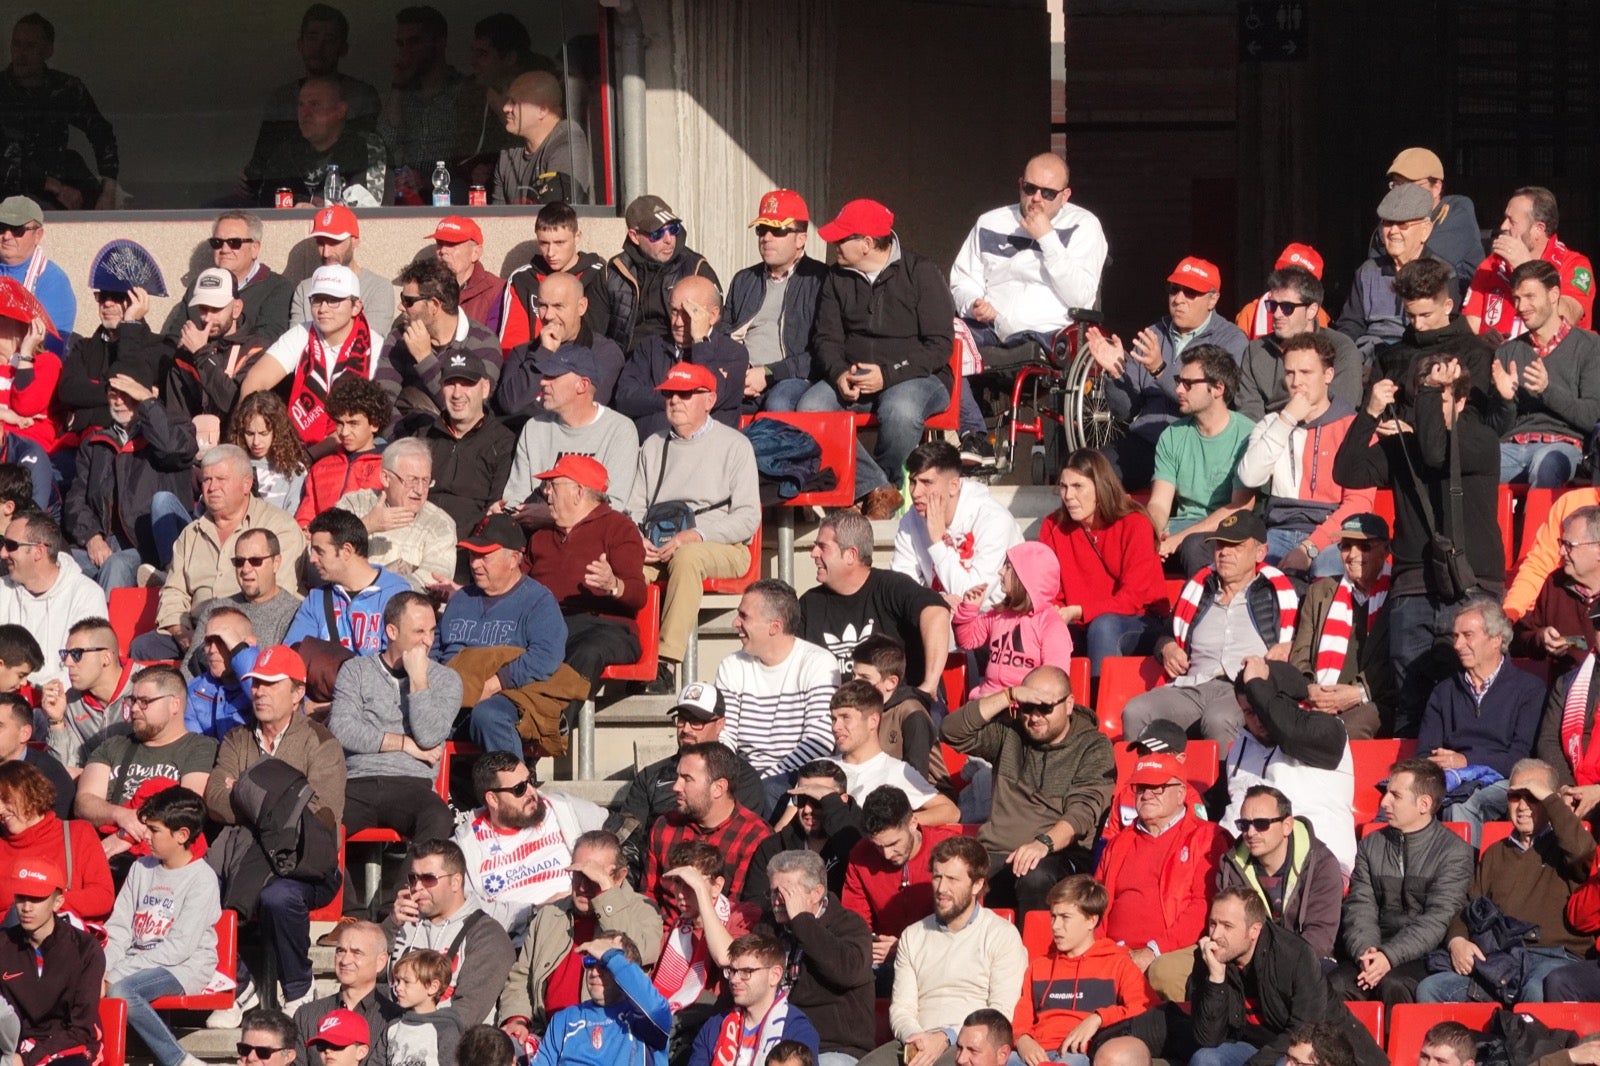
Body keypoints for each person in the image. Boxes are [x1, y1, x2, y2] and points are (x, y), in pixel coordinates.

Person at [1333, 356, 1505, 731]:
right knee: (1410, 704)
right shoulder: (1404, 446)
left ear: (1460, 402)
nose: (1427, 405)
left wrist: (1427, 391)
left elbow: (1435, 451)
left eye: (1438, 397)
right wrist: (1369, 413)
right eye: (1423, 396)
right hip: (1413, 588)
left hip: (1472, 586)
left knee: (1471, 695)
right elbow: (1346, 471)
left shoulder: (1481, 439)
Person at [206, 645, 345, 1020]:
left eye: (269, 684)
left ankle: (299, 987)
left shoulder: (322, 743)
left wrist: (246, 790)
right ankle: (238, 987)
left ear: (298, 693)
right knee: (197, 890)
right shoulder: (237, 739)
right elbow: (217, 800)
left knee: (278, 897)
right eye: (255, 684)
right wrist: (282, 795)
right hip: (244, 858)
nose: (259, 692)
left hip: (305, 863)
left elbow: (322, 814)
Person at [794, 198, 956, 516]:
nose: (833, 245)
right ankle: (875, 488)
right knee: (811, 408)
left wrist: (888, 373)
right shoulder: (836, 278)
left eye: (842, 238)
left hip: (918, 376)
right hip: (853, 376)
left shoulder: (921, 272)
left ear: (867, 244)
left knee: (901, 409)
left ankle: (888, 489)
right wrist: (839, 373)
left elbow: (939, 346)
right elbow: (825, 339)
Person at [948, 152, 1109, 460]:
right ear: (1020, 184)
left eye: (1047, 193)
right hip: (989, 325)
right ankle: (974, 435)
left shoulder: (1085, 225)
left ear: (1065, 195)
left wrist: (1047, 238)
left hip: (1048, 331)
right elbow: (962, 279)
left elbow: (1081, 295)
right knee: (942, 338)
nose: (1036, 198)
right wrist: (973, 303)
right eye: (1030, 189)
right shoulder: (990, 222)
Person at [1414, 758, 1594, 1004]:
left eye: (1532, 796)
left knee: (1535, 990)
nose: (1522, 806)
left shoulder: (1566, 846)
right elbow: (1467, 905)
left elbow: (1583, 853)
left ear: (1550, 801)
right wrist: (1457, 941)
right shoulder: (1495, 853)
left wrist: (1553, 801)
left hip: (1556, 958)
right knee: (1431, 989)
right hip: (1501, 961)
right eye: (1514, 796)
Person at [625, 362, 760, 687]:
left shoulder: (734, 445)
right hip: (659, 543)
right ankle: (628, 654)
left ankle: (664, 662)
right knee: (624, 564)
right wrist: (635, 537)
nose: (674, 401)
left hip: (723, 547)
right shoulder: (654, 445)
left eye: (685, 394)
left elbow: (747, 517)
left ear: (709, 400)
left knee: (687, 558)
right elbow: (633, 507)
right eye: (670, 394)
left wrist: (696, 535)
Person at [1121, 510, 1298, 750]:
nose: (1224, 552)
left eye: (1236, 545)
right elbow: (1167, 633)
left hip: (1246, 689)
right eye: (1220, 545)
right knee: (1135, 711)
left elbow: (1305, 640)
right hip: (1193, 685)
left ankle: (1224, 788)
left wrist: (1291, 645)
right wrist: (1167, 647)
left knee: (1218, 719)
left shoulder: (1277, 594)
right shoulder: (1198, 591)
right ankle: (1145, 784)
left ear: (1260, 552)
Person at [941, 664, 1113, 911]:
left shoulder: (1092, 745)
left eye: (1045, 707)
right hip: (997, 852)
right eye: (1027, 707)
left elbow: (1083, 812)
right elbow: (951, 732)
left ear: (1068, 704)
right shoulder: (1011, 733)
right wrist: (1008, 696)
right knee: (950, 874)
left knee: (1035, 877)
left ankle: (1034, 949)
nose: (1034, 716)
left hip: (1059, 854)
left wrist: (1044, 843)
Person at [856, 836, 1027, 1066]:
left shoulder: (1001, 935)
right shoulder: (913, 935)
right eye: (937, 877)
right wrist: (918, 1039)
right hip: (916, 1040)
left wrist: (946, 1037)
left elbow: (999, 1013)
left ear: (977, 884)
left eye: (952, 879)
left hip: (967, 1046)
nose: (941, 888)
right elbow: (902, 1007)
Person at [1090, 257, 1249, 491]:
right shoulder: (1155, 332)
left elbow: (1215, 401)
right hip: (1147, 440)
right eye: (1174, 290)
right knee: (1087, 474)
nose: (1178, 299)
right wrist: (1117, 374)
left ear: (1212, 299)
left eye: (1191, 292)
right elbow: (1124, 412)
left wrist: (1160, 369)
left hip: (1196, 445)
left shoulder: (1231, 339)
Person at [1329, 758, 1474, 1009]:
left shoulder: (1454, 852)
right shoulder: (1371, 845)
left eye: (1395, 795)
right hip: (1373, 948)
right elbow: (1360, 906)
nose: (1384, 802)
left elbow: (1438, 919)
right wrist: (1368, 952)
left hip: (1424, 954)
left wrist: (1390, 956)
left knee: (1394, 985)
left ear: (1424, 804)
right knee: (1335, 985)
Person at [1183, 889, 1386, 1066]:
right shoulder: (1210, 957)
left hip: (1301, 1052)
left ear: (1254, 930)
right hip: (1251, 1047)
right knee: (1205, 1059)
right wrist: (1216, 979)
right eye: (1212, 923)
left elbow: (1302, 1031)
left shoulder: (1294, 956)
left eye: (1227, 926)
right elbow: (1207, 1039)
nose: (1216, 934)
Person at [1235, 332, 1374, 579]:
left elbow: (1359, 503)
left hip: (1335, 534)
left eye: (1306, 373)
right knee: (1257, 575)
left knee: (1326, 569)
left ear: (1328, 375)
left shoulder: (1354, 428)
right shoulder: (1272, 424)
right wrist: (1287, 419)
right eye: (1290, 373)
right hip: (1278, 529)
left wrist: (1309, 548)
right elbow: (1250, 476)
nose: (1296, 381)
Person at [497, 829, 662, 1037]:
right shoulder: (549, 915)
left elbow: (638, 954)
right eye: (578, 875)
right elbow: (521, 976)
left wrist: (607, 895)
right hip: (545, 1033)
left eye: (592, 877)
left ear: (619, 877)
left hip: (608, 1036)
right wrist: (518, 1019)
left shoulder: (643, 910)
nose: (583, 886)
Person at [1095, 751, 1230, 1000]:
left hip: (1173, 952)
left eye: (1157, 787)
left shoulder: (1207, 838)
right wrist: (1104, 953)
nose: (1147, 794)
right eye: (1141, 787)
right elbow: (1095, 906)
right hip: (1116, 953)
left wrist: (1152, 950)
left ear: (1181, 793)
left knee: (1162, 973)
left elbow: (1203, 907)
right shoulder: (1118, 844)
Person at [329, 590, 459, 846]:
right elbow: (341, 729)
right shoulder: (356, 670)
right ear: (392, 632)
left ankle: (408, 887)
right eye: (419, 632)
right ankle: (340, 888)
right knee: (316, 825)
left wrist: (419, 680)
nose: (428, 641)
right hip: (357, 783)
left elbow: (430, 735)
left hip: (412, 784)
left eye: (432, 631)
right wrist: (404, 744)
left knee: (439, 818)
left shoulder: (446, 679)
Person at [102, 786, 221, 1066]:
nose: (146, 836)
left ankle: (179, 1061)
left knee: (121, 991)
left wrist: (114, 976)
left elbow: (179, 948)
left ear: (182, 835)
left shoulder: (202, 878)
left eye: (155, 830)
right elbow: (119, 928)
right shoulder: (140, 868)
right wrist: (102, 969)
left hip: (182, 967)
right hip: (137, 962)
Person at [433, 514, 567, 756]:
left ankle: (514, 788)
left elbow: (546, 656)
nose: (474, 564)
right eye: (473, 555)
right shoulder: (461, 600)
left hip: (506, 696)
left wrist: (494, 684)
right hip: (450, 696)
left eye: (484, 556)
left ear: (514, 558)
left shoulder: (538, 600)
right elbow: (435, 650)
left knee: (488, 716)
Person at [1416, 594, 1545, 841]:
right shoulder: (1444, 692)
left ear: (1496, 640)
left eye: (1468, 635)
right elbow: (1425, 754)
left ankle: (1462, 879)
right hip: (1453, 781)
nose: (1457, 645)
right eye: (1455, 636)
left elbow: (1521, 758)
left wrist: (1466, 760)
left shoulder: (1529, 689)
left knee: (1462, 804)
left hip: (1507, 781)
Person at [527, 453, 648, 709]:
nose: (546, 493)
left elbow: (638, 594)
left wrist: (613, 584)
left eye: (553, 486)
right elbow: (517, 584)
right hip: (549, 625)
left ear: (578, 492)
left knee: (588, 651)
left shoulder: (619, 528)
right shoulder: (540, 536)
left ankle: (550, 725)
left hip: (606, 627)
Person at [606, 687, 765, 881]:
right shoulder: (651, 776)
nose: (686, 729)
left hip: (717, 881)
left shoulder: (741, 777)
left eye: (696, 721)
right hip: (656, 875)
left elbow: (739, 838)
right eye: (681, 719)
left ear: (720, 723)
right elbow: (628, 839)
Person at [454, 751, 608, 947]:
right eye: (519, 789)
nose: (531, 792)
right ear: (493, 799)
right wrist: (533, 912)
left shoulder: (562, 808)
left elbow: (615, 835)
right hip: (520, 942)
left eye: (530, 780)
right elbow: (465, 911)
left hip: (580, 924)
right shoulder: (466, 846)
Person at [715, 579, 839, 814]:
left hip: (796, 775)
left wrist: (763, 781)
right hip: (743, 775)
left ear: (774, 626)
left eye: (744, 616)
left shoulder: (817, 663)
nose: (735, 623)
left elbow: (819, 741)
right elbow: (725, 735)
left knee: (769, 793)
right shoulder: (731, 665)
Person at [1039, 449, 1167, 678]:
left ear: (1100, 487)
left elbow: (1132, 599)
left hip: (1139, 620)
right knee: (1045, 629)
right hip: (1077, 620)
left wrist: (1080, 611)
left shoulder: (1135, 523)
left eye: (1078, 486)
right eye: (1063, 486)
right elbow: (1049, 591)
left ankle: (1094, 711)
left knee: (1103, 627)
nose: (1068, 496)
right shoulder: (1053, 525)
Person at [1224, 659, 1357, 877]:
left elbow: (1290, 733)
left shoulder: (1328, 730)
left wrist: (1256, 682)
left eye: (1261, 707)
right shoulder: (1240, 748)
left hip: (1319, 867)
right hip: (1248, 866)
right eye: (1249, 712)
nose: (1258, 720)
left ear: (1282, 700)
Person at [74, 665, 218, 862]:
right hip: (103, 854)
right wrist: (121, 815)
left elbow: (188, 808)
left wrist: (126, 835)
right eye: (132, 700)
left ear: (174, 704)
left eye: (145, 702)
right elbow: (84, 802)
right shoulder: (114, 746)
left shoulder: (199, 747)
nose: (134, 708)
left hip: (157, 861)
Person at [799, 512, 951, 695]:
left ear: (850, 555)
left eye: (822, 547)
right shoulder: (810, 604)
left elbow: (936, 612)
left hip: (897, 712)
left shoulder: (892, 587)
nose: (813, 553)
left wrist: (929, 685)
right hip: (834, 715)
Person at [1010, 876, 1157, 1066]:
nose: (1055, 926)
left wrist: (1099, 1017)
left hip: (1079, 1054)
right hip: (1034, 1053)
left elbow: (1146, 1010)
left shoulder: (1117, 963)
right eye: (1053, 916)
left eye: (1065, 918)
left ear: (1091, 920)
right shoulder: (1039, 966)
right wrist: (1022, 1040)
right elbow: (1021, 1015)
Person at [1142, 345, 1256, 577]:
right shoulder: (1173, 435)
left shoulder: (1247, 435)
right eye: (1178, 380)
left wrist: (1177, 539)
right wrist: (1153, 531)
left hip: (1228, 530)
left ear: (1217, 388)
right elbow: (1160, 504)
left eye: (1188, 384)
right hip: (1179, 526)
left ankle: (1203, 608)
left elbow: (1240, 508)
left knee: (1194, 546)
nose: (1178, 390)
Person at [843, 785, 967, 995]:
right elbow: (855, 921)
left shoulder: (950, 851)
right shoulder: (861, 856)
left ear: (913, 823)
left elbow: (966, 925)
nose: (886, 854)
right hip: (884, 961)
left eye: (894, 843)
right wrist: (870, 944)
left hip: (942, 959)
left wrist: (906, 946)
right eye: (878, 846)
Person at [238, 264, 377, 448]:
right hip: (297, 446)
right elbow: (255, 380)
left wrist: (314, 455)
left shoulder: (373, 346)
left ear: (356, 306)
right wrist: (253, 428)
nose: (323, 309)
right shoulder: (302, 333)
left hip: (350, 447)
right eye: (317, 300)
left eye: (334, 300)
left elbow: (366, 422)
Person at [1493, 258, 1600, 487]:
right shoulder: (1507, 352)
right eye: (1517, 299)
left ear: (1553, 295)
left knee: (1546, 463)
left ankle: (1538, 524)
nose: (1521, 307)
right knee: (1472, 465)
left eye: (1530, 297)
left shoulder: (1589, 346)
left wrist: (1546, 390)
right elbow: (1497, 429)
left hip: (1564, 446)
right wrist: (1506, 400)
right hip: (1511, 447)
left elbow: (1591, 416)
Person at [1288, 514, 1395, 741]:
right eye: (1346, 546)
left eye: (1364, 546)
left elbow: (1399, 660)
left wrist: (1358, 693)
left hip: (1376, 699)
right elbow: (1301, 654)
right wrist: (1310, 690)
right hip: (1319, 697)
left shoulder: (1399, 593)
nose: (1353, 555)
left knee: (1348, 727)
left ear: (1386, 550)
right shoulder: (1320, 592)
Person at [387, 839, 516, 1026]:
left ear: (456, 882)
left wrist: (413, 1035)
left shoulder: (487, 935)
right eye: (413, 878)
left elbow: (467, 1013)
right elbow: (364, 972)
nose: (417, 887)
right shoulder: (402, 919)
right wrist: (390, 924)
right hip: (392, 1038)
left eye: (429, 879)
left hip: (450, 1046)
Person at [497, 339, 637, 512]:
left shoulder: (619, 430)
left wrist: (550, 517)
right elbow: (515, 497)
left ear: (582, 385)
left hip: (592, 535)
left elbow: (614, 507)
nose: (542, 382)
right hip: (531, 530)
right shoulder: (534, 427)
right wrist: (506, 513)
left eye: (553, 376)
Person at [766, 849, 875, 1066]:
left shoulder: (849, 925)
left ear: (816, 893)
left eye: (786, 893)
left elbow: (847, 971)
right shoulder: (769, 926)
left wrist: (802, 922)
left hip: (832, 1047)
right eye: (773, 892)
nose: (777, 901)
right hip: (772, 1042)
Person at [248, 5, 383, 180]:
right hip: (286, 191)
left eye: (329, 39)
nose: (319, 47)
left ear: (343, 48)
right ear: (300, 44)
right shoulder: (282, 98)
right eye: (312, 38)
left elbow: (367, 154)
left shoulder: (360, 96)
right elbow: (261, 162)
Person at [0, 15, 117, 212]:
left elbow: (101, 133)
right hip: (10, 196)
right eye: (16, 44)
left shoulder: (64, 89)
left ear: (47, 51)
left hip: (61, 189)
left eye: (30, 46)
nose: (21, 54)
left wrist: (109, 191)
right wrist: (51, 184)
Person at [1217, 785, 1343, 964]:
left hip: (1303, 963)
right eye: (1244, 825)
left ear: (1287, 826)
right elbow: (1229, 928)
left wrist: (1277, 966)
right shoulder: (1231, 865)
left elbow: (1320, 936)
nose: (1251, 833)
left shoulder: (1321, 864)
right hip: (1249, 962)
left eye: (1261, 824)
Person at [613, 276, 749, 441]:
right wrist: (678, 397)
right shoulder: (650, 347)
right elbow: (625, 398)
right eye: (674, 311)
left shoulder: (733, 353)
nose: (677, 322)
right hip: (652, 451)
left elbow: (713, 394)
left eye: (688, 314)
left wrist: (700, 342)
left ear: (712, 316)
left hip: (706, 456)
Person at [727, 189, 827, 412]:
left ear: (801, 239)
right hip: (743, 374)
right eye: (762, 230)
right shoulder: (744, 280)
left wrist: (768, 373)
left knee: (779, 403)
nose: (766, 238)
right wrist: (734, 370)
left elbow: (824, 351)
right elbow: (725, 334)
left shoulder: (821, 280)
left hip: (793, 377)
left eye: (777, 230)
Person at [644, 742, 774, 910]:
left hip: (722, 931)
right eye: (677, 778)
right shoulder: (664, 826)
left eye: (687, 779)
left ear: (718, 788)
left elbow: (741, 913)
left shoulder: (754, 836)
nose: (676, 787)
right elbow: (648, 897)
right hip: (663, 932)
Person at [1335, 183, 1459, 362]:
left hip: (1419, 360)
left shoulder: (1443, 274)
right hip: (1369, 358)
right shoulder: (1368, 271)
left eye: (1402, 224)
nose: (1393, 231)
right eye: (1387, 223)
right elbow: (1350, 326)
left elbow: (1446, 334)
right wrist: (1352, 363)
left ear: (1425, 230)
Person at [0, 857, 105, 1066]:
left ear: (57, 902)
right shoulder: (3, 944)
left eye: (36, 898)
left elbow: (81, 1028)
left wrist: (28, 1058)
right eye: (21, 897)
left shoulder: (85, 949)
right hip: (12, 1046)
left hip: (68, 1048)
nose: (26, 907)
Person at [894, 440, 1022, 606]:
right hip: (937, 618)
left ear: (953, 485)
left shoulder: (994, 520)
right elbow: (900, 589)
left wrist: (939, 542)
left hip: (996, 620)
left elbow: (971, 599)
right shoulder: (911, 519)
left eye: (927, 483)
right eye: (913, 482)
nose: (916, 492)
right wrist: (936, 602)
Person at [1377, 258, 1501, 424]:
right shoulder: (1390, 356)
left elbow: (1472, 419)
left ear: (1448, 306)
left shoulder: (1475, 353)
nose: (1418, 325)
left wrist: (1413, 432)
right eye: (1411, 315)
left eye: (1426, 315)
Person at [1234, 267, 1362, 423]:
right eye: (1272, 306)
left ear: (1311, 310)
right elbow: (1248, 417)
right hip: (1268, 439)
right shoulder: (1256, 351)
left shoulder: (1341, 348)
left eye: (1287, 308)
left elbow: (1340, 413)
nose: (1277, 314)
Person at [1464, 186, 1594, 339]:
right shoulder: (1491, 265)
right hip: (1494, 356)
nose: (1503, 226)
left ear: (1538, 229)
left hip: (1553, 359)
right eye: (1505, 218)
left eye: (1512, 221)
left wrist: (1526, 267)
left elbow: (1568, 317)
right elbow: (1470, 327)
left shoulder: (1575, 265)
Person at [413, 351, 516, 537]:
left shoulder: (503, 442)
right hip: (416, 536)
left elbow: (495, 507)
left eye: (467, 383)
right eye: (450, 384)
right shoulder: (423, 437)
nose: (457, 394)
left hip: (467, 546)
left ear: (485, 388)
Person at [601, 194, 720, 354]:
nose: (669, 239)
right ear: (635, 237)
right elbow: (594, 334)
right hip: (624, 361)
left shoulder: (696, 268)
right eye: (657, 233)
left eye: (673, 229)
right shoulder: (614, 271)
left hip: (678, 357)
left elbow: (718, 325)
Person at [285, 508, 413, 656]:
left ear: (346, 550)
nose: (312, 559)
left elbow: (396, 660)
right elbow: (293, 656)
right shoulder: (316, 599)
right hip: (326, 679)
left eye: (319, 551)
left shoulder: (397, 594)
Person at [828, 682, 959, 826]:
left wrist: (894, 826)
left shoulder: (897, 771)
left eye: (846, 717)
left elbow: (951, 812)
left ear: (873, 721)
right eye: (833, 719)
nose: (836, 727)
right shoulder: (821, 767)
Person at [335, 438, 457, 593]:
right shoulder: (355, 503)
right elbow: (322, 555)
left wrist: (373, 589)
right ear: (385, 478)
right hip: (343, 601)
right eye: (412, 480)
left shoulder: (440, 524)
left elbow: (433, 581)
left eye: (425, 481)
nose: (420, 490)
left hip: (401, 609)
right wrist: (366, 526)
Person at [953, 542, 1074, 697]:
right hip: (986, 702)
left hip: (1022, 709)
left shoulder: (1051, 625)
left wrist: (1018, 701)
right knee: (950, 722)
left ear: (1027, 576)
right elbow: (967, 640)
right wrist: (968, 608)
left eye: (1008, 567)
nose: (1000, 572)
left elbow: (1054, 682)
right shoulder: (999, 614)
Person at [249, 75, 391, 207]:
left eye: (315, 104)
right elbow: (265, 207)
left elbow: (371, 209)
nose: (305, 113)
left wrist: (314, 208)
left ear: (340, 110)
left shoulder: (368, 147)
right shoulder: (286, 152)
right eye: (301, 105)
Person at [530, 933, 670, 1066]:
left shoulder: (644, 1019)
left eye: (605, 964)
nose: (594, 972)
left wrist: (612, 957)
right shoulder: (564, 1019)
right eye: (590, 962)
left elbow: (655, 1009)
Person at [0, 511, 106, 685]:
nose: (3, 553)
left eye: (11, 545)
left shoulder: (87, 595)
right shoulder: (2, 589)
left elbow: (85, 667)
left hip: (62, 704)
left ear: (38, 551)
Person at [0, 760, 113, 919]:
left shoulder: (78, 834)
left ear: (29, 792)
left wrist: (44, 905)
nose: (0, 809)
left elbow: (102, 898)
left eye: (5, 798)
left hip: (68, 938)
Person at [163, 268, 274, 429]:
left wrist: (202, 354)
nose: (207, 318)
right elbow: (176, 419)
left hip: (240, 449)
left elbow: (236, 405)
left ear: (236, 308)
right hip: (194, 449)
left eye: (215, 309)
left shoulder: (257, 349)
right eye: (202, 308)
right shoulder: (186, 354)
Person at [498, 273, 625, 414]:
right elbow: (509, 404)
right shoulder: (523, 353)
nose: (548, 315)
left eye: (558, 306)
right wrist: (543, 354)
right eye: (543, 305)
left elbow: (584, 409)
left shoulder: (604, 353)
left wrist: (530, 408)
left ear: (581, 307)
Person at [686, 933, 821, 1066]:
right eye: (732, 971)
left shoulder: (797, 1031)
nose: (734, 979)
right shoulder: (715, 1026)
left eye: (746, 972)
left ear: (774, 975)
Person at [163, 211, 293, 343]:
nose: (224, 249)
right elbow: (174, 340)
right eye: (217, 242)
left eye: (234, 242)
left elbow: (266, 342)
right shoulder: (199, 285)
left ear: (255, 248)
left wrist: (204, 352)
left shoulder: (277, 288)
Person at [500, 203, 612, 355]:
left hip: (586, 368)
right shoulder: (523, 279)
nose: (551, 252)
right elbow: (511, 347)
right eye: (544, 243)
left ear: (577, 236)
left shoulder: (599, 275)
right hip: (535, 366)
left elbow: (604, 339)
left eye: (559, 243)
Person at [295, 920, 405, 1066]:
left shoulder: (395, 1020)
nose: (345, 960)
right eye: (340, 951)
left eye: (356, 952)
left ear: (381, 961)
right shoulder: (307, 1015)